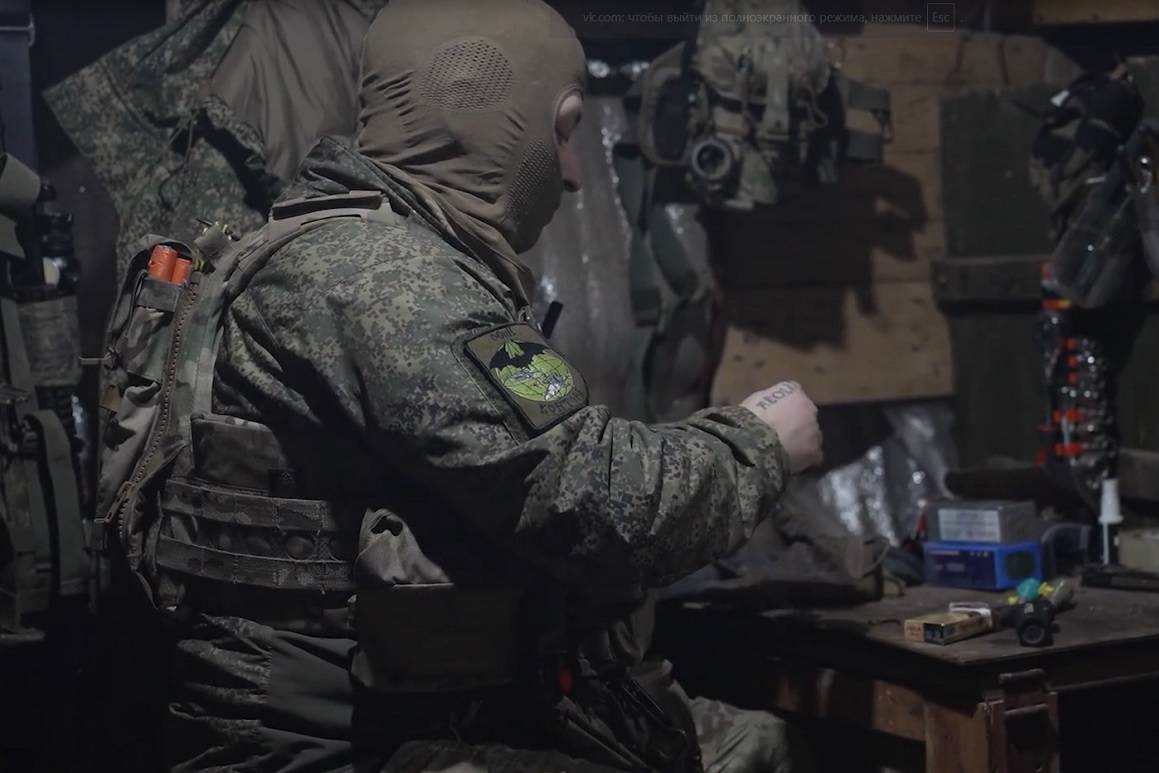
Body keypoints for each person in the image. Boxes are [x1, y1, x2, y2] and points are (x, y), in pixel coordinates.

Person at [155, 0, 823, 770]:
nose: (572, 174)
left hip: (398, 711)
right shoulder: (383, 277)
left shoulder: (347, 250)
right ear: (492, 120)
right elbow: (592, 503)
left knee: (757, 746)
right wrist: (761, 444)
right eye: (563, 132)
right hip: (333, 744)